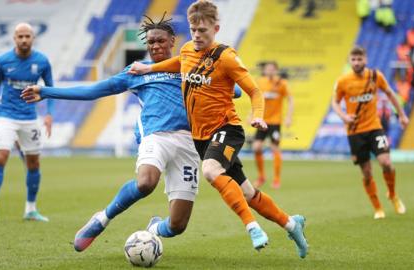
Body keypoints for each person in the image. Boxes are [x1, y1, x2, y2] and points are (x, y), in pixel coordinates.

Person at [129, 0, 308, 258]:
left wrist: (257, 116)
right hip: (201, 137)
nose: (198, 36)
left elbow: (255, 91)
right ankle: (292, 224)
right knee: (247, 192)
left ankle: (253, 228)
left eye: (203, 31)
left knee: (211, 171)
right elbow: (179, 62)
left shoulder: (227, 57)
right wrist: (149, 68)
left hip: (227, 128)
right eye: (193, 30)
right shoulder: (189, 49)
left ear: (216, 28)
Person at [22, 15, 203, 252]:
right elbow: (95, 90)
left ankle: (154, 229)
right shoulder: (138, 72)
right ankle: (102, 219)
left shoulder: (189, 67)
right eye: (150, 42)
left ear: (172, 41)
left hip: (189, 143)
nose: (155, 46)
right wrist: (46, 91)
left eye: (160, 41)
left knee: (177, 225)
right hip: (156, 136)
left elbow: (234, 90)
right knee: (146, 182)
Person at [0, 22, 54, 222]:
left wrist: (49, 114)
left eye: (27, 36)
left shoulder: (42, 61)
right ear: (14, 38)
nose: (23, 40)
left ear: (33, 38)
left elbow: (50, 89)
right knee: (0, 157)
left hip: (30, 118)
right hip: (5, 116)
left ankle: (30, 209)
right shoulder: (3, 60)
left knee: (33, 163)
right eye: (20, 36)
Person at [332, 46, 409, 219]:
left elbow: (390, 94)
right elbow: (335, 103)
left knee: (386, 162)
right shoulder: (343, 81)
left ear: (365, 59)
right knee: (366, 172)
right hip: (355, 132)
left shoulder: (375, 76)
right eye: (353, 59)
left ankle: (392, 194)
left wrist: (402, 115)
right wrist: (344, 116)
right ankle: (378, 208)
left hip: (374, 127)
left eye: (360, 59)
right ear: (349, 61)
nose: (357, 62)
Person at [252, 61, 294, 189]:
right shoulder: (260, 81)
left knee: (275, 148)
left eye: (272, 69)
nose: (269, 71)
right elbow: (256, 99)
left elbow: (291, 99)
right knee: (256, 147)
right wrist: (251, 115)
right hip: (262, 121)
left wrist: (288, 117)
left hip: (275, 122)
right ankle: (261, 177)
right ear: (264, 70)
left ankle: (276, 179)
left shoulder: (282, 83)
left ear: (276, 70)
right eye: (267, 69)